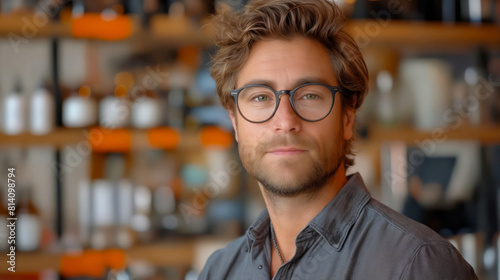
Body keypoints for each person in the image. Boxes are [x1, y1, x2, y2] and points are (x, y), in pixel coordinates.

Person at [199, 0, 478, 279]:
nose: (285, 122)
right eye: (260, 97)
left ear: (347, 117)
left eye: (310, 95)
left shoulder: (419, 265)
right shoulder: (220, 271)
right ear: (235, 122)